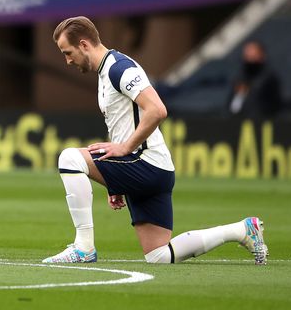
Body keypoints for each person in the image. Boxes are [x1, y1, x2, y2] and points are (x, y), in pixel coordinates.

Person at [44, 16, 268, 265]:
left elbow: (157, 110)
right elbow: (122, 123)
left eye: (68, 52)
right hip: (154, 167)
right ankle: (242, 230)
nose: (67, 60)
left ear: (84, 45)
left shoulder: (119, 68)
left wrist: (125, 148)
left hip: (144, 162)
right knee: (159, 255)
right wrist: (115, 182)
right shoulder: (105, 72)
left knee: (70, 158)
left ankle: (84, 248)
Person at [227, 40, 282, 117]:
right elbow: (233, 102)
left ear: (262, 55)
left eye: (253, 54)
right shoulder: (240, 78)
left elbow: (275, 104)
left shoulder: (269, 77)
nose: (250, 57)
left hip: (261, 122)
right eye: (247, 54)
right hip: (240, 122)